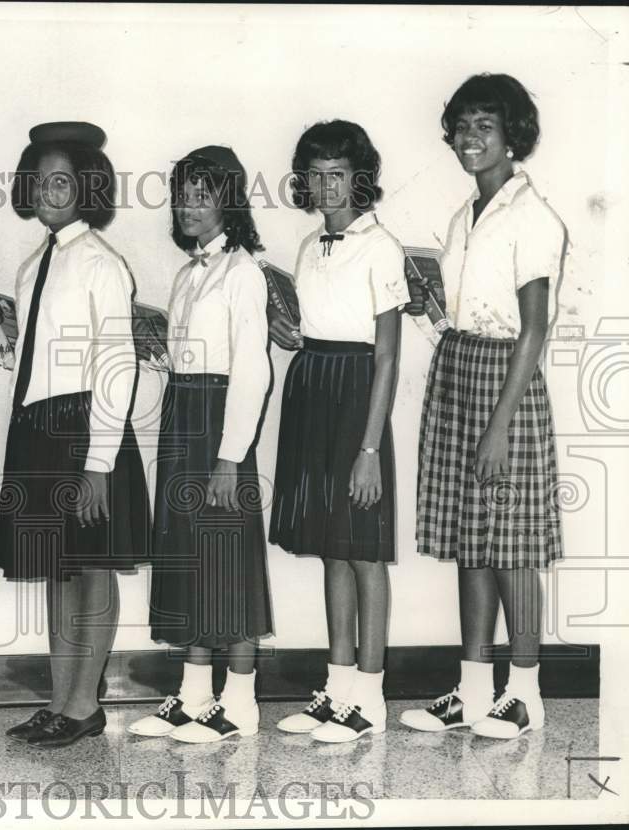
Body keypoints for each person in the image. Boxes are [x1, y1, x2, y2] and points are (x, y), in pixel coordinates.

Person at [400, 74, 566, 740]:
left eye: (485, 126)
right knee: (473, 543)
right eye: (463, 126)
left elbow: (533, 328)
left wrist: (499, 426)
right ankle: (472, 690)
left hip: (508, 384)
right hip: (460, 368)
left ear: (512, 134)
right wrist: (429, 314)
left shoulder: (534, 216)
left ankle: (525, 693)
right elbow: (462, 310)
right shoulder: (461, 215)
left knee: (512, 547)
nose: (471, 138)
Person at [0, 121, 151, 749]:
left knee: (90, 567)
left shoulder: (102, 263)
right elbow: (43, 356)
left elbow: (116, 361)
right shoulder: (33, 264)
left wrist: (99, 462)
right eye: (40, 179)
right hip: (37, 426)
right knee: (56, 570)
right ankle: (59, 699)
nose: (50, 190)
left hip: (85, 429)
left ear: (86, 188)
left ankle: (85, 704)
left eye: (63, 179)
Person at [269, 120, 409, 743]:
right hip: (312, 389)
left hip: (357, 397)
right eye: (316, 176)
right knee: (332, 545)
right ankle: (338, 687)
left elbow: (386, 355)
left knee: (363, 550)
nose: (326, 188)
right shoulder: (306, 246)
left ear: (360, 180)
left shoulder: (380, 246)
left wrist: (370, 449)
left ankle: (370, 698)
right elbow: (315, 319)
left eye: (338, 176)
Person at [127, 146, 272, 744]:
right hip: (184, 417)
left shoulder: (243, 271)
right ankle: (192, 696)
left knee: (228, 557)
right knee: (188, 553)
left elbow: (253, 371)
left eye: (203, 194)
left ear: (227, 202)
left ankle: (239, 702)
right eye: (182, 193)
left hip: (218, 427)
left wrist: (229, 457)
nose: (189, 205)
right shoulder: (188, 274)